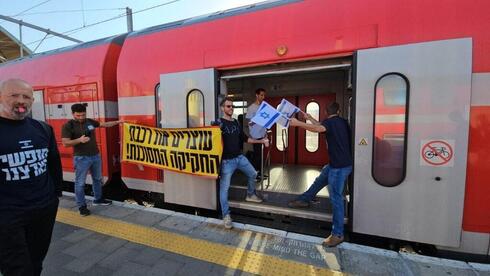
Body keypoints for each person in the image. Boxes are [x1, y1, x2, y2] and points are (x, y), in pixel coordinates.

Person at [0, 79, 63, 276]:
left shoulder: (43, 129)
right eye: (14, 95)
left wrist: (55, 196)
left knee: (36, 262)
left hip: (43, 210)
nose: (21, 101)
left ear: (32, 100)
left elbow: (53, 163)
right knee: (17, 268)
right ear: (1, 97)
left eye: (26, 97)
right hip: (7, 215)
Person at [288, 102, 352, 247]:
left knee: (336, 198)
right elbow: (321, 126)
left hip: (339, 167)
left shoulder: (328, 123)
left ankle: (337, 234)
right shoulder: (342, 121)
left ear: (325, 111)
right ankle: (305, 199)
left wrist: (298, 123)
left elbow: (318, 128)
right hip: (340, 164)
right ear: (339, 111)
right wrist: (309, 117)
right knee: (320, 180)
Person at [61, 103, 122, 216]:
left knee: (98, 179)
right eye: (78, 115)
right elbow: (65, 143)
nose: (81, 118)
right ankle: (82, 206)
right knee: (80, 183)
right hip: (81, 158)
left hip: (95, 156)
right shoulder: (68, 125)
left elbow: (104, 124)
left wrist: (117, 122)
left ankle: (98, 199)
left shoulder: (90, 121)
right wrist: (79, 140)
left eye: (83, 115)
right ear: (73, 114)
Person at [218, 97, 269, 229]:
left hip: (239, 158)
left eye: (232, 106)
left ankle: (250, 194)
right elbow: (210, 138)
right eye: (228, 106)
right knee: (224, 189)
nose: (231, 108)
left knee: (253, 173)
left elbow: (246, 139)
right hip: (226, 161)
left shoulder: (235, 122)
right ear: (222, 108)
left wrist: (261, 141)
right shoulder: (219, 124)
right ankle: (226, 216)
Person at [245, 88, 267, 180]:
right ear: (257, 95)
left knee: (261, 154)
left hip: (262, 133)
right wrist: (257, 119)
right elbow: (249, 123)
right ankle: (254, 174)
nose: (263, 97)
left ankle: (260, 173)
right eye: (261, 95)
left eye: (264, 95)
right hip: (255, 134)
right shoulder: (251, 108)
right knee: (257, 155)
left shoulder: (263, 107)